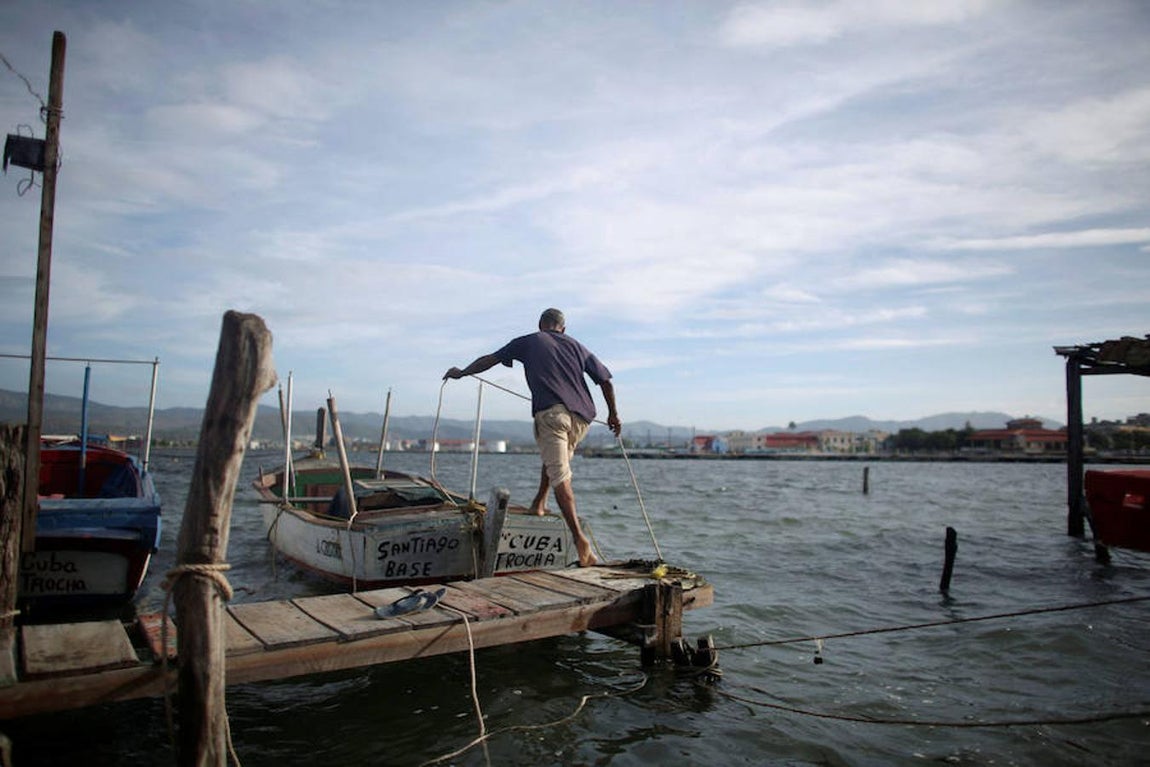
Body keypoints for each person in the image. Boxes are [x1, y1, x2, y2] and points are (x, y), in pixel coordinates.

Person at [444, 308, 621, 567]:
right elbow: (605, 380)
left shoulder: (529, 341)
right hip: (582, 420)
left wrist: (461, 372)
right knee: (554, 462)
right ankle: (539, 502)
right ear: (564, 328)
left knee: (560, 475)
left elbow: (489, 360)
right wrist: (614, 415)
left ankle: (580, 541)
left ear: (541, 325)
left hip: (553, 415)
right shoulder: (577, 346)